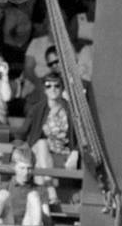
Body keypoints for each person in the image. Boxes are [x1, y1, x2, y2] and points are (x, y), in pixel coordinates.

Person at [21, 73, 79, 207]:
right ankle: (52, 194)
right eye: (48, 86)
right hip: (40, 151)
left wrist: (75, 151)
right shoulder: (37, 109)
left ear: (62, 88)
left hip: (62, 155)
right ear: (44, 89)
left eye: (57, 85)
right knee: (41, 144)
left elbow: (82, 135)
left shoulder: (70, 110)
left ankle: (42, 204)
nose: (52, 89)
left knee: (39, 169)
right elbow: (22, 131)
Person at [0, 142, 43, 226]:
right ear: (14, 167)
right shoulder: (6, 187)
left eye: (29, 168)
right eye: (22, 168)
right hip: (9, 222)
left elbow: (47, 219)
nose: (26, 172)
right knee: (3, 194)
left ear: (33, 168)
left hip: (28, 224)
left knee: (33, 196)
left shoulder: (39, 189)